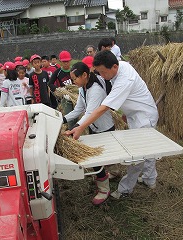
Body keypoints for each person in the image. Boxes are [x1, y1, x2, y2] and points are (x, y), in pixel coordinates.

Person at [65, 50, 159, 199]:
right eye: (98, 72)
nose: (101, 76)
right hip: (136, 114)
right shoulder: (120, 66)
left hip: (144, 117)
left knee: (137, 157)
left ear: (114, 66)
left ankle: (125, 189)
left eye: (103, 72)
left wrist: (81, 127)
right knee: (148, 150)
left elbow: (103, 108)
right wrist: (128, 112)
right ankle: (149, 179)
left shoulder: (124, 79)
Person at [64, 62, 115, 205]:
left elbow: (89, 113)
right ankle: (106, 176)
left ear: (85, 75)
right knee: (100, 159)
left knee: (98, 160)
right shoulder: (83, 88)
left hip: (105, 128)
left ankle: (104, 190)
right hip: (93, 127)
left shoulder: (96, 90)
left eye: (75, 78)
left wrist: (75, 127)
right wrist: (61, 119)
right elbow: (78, 109)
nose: (73, 81)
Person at [49, 51, 76, 126]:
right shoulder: (58, 72)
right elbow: (50, 83)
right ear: (60, 62)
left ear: (70, 61)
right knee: (69, 116)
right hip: (65, 98)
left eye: (67, 61)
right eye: (64, 62)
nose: (66, 63)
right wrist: (59, 90)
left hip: (76, 96)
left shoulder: (74, 70)